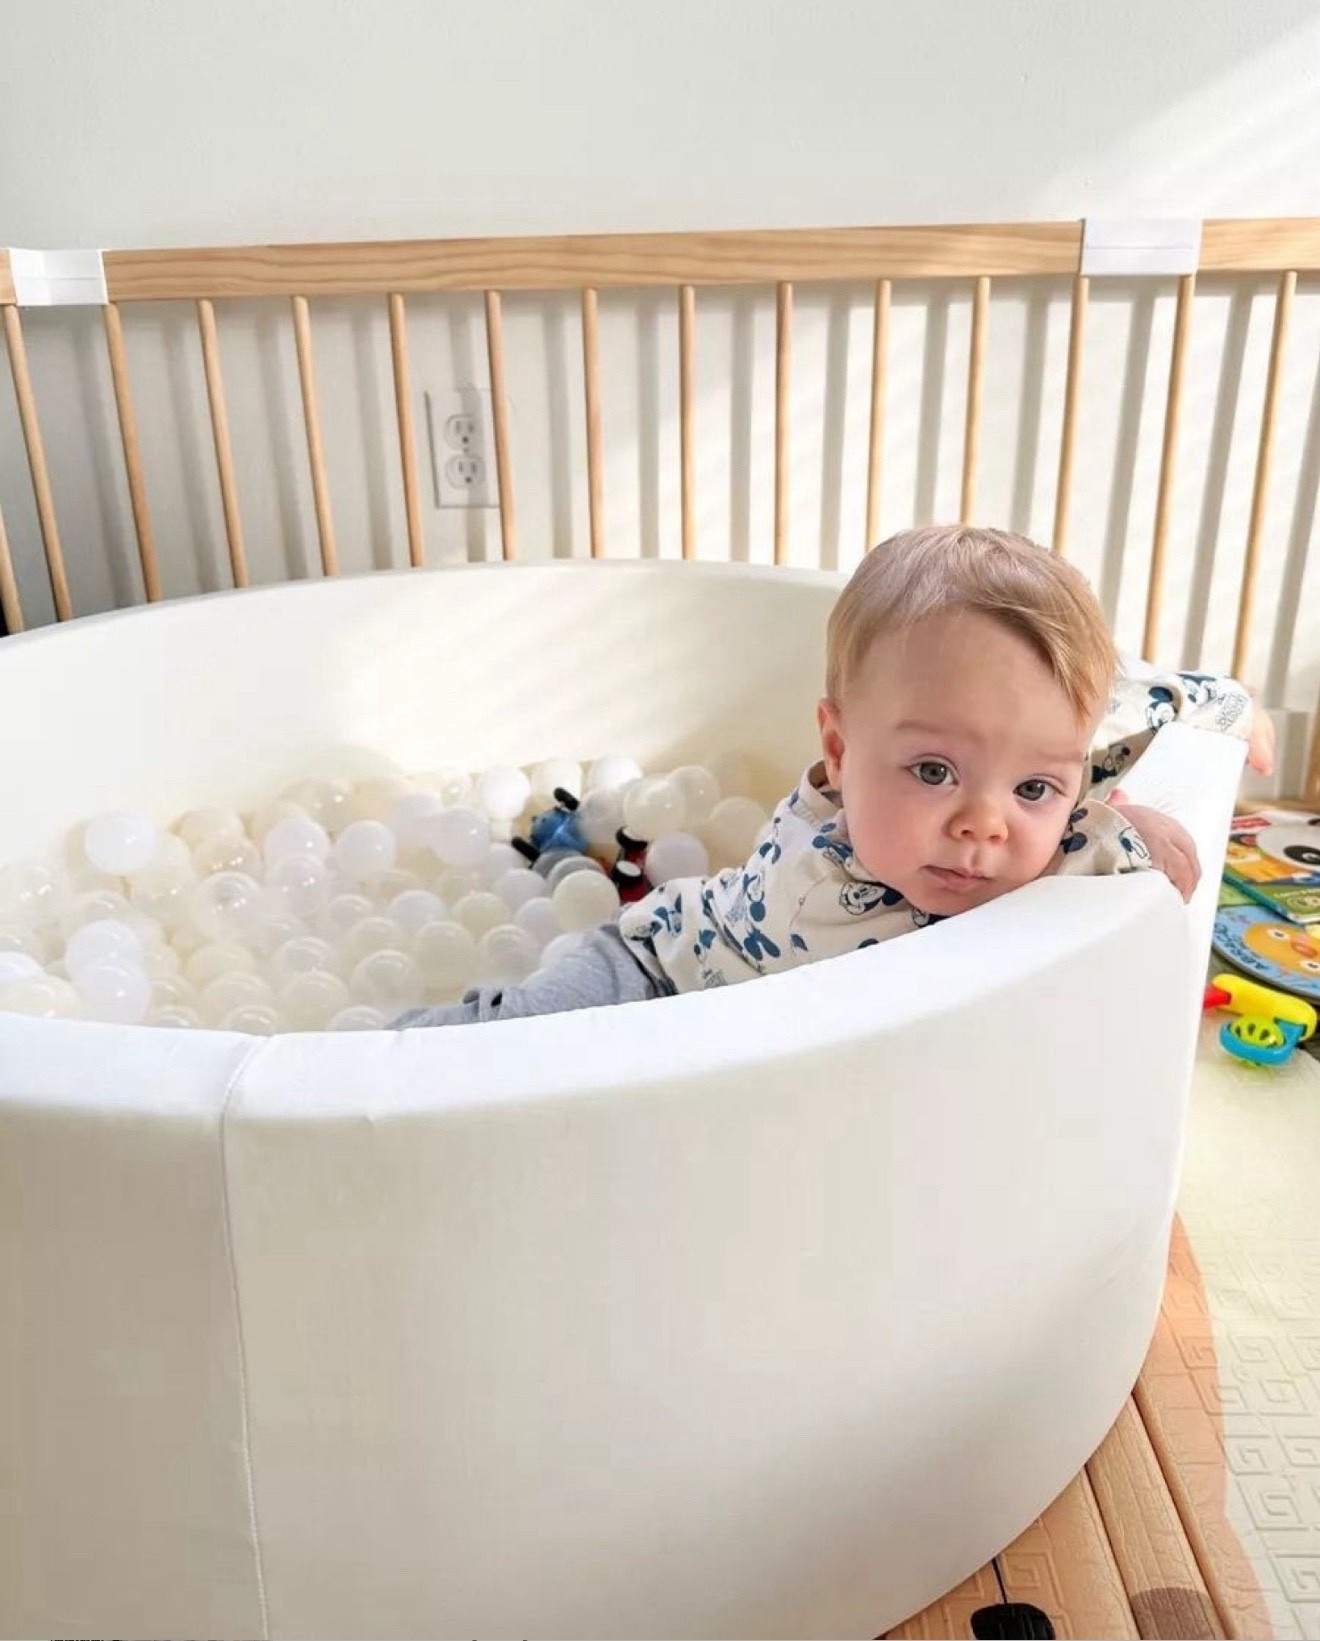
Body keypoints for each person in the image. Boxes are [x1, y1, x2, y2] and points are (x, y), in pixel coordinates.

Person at [397, 525, 1271, 1028]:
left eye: (1035, 789)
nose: (983, 826)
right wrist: (1112, 835)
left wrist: (1232, 714)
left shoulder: (1022, 774)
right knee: (501, 1046)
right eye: (934, 770)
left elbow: (1140, 698)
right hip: (652, 971)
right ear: (841, 752)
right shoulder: (822, 880)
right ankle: (346, 1072)